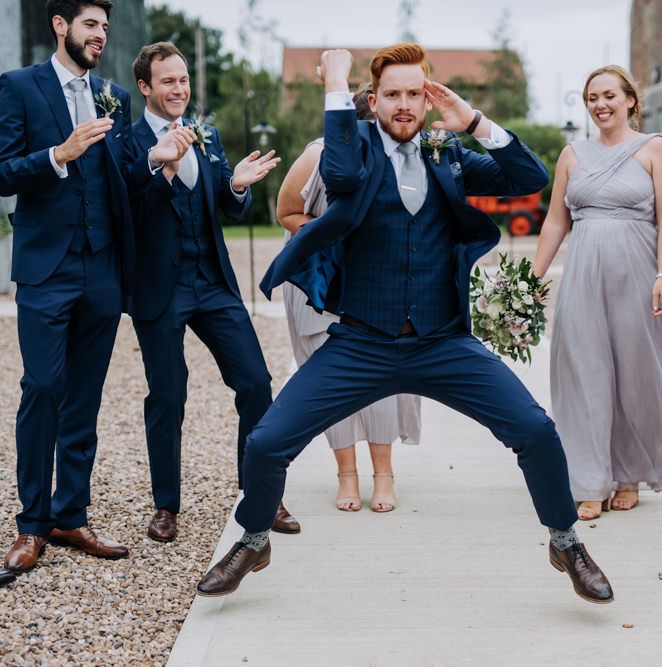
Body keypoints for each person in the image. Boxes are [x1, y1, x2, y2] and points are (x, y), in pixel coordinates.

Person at [197, 44, 614, 605]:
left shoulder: (450, 154)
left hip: (443, 343)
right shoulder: (356, 148)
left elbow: (529, 178)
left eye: (414, 93)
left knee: (536, 431)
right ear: (373, 100)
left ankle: (565, 542)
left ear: (427, 98)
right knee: (268, 442)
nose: (404, 104)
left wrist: (474, 123)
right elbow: (340, 176)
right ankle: (254, 539)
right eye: (392, 94)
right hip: (362, 343)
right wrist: (335, 83)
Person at [0, 0, 188, 573]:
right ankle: (30, 524)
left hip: (102, 269)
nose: (100, 35)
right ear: (60, 26)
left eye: (105, 27)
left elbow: (121, 178)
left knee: (85, 397)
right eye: (90, 25)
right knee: (42, 388)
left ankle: (70, 515)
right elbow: (3, 169)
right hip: (47, 270)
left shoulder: (116, 95)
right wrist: (58, 154)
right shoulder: (19, 86)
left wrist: (153, 160)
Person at [127, 42, 300, 542]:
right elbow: (130, 210)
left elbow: (228, 204)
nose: (179, 89)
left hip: (213, 282)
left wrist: (239, 186)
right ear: (146, 87)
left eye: (183, 80)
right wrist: (160, 165)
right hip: (160, 287)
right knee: (168, 394)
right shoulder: (127, 139)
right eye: (167, 81)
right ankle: (166, 506)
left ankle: (260, 497)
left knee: (254, 382)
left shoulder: (208, 134)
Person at [533, 65, 662, 521]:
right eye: (592, 97)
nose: (600, 104)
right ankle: (590, 479)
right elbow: (557, 219)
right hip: (582, 274)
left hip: (636, 272)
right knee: (583, 369)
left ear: (631, 100)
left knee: (635, 373)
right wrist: (531, 276)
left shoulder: (655, 149)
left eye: (609, 95)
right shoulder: (572, 154)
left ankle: (630, 473)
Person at [277, 84, 422, 513]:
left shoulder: (406, 160)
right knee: (328, 380)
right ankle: (346, 474)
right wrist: (335, 235)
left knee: (379, 379)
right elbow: (286, 214)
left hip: (378, 285)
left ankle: (383, 474)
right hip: (317, 283)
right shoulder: (316, 156)